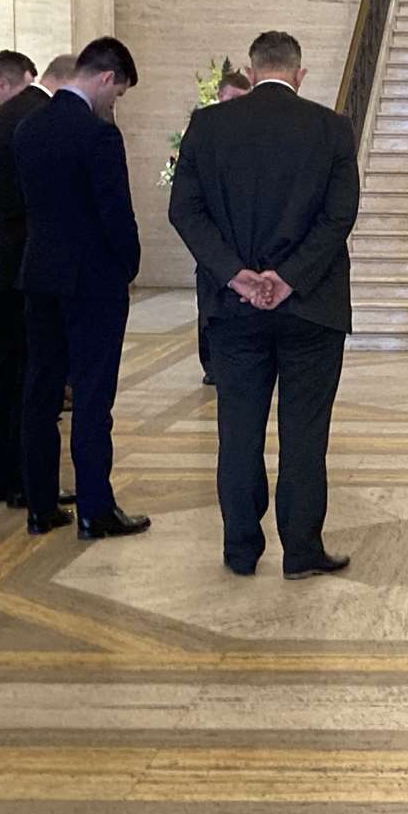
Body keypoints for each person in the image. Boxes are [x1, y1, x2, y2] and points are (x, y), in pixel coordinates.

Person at [170, 31, 359, 580]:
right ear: (299, 74)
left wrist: (237, 276)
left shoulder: (208, 126)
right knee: (305, 431)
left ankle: (240, 548)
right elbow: (339, 216)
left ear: (251, 73)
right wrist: (290, 277)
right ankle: (301, 551)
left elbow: (186, 211)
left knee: (238, 428)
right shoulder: (330, 128)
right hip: (312, 307)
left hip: (234, 310)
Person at [16, 37, 150, 540]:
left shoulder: (28, 128)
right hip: (92, 283)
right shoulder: (97, 135)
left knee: (41, 392)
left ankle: (41, 505)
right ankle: (95, 509)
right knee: (93, 397)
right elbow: (115, 211)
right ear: (104, 78)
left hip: (39, 275)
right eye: (117, 95)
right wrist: (130, 263)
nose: (114, 105)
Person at [0, 54, 76, 509]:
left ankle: (5, 476)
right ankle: (27, 484)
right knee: (30, 378)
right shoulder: (38, 118)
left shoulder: (2, 116)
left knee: (6, 373)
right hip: (22, 268)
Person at [196, 69, 254, 388]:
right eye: (234, 100)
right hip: (213, 237)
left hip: (242, 233)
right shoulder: (204, 128)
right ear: (221, 96)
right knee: (208, 305)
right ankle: (211, 364)